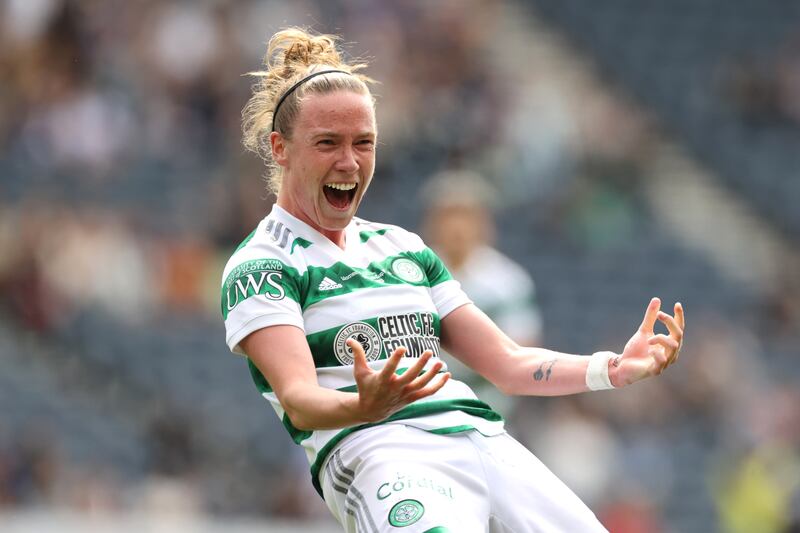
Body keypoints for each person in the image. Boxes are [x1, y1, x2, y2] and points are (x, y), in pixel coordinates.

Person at [221, 28, 685, 532]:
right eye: (327, 143)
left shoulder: (404, 248)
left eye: (364, 143)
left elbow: (507, 364)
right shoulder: (261, 266)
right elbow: (299, 400)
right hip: (380, 447)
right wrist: (364, 404)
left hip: (481, 437)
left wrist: (612, 368)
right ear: (280, 148)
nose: (349, 162)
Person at [421, 171, 541, 422]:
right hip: (423, 403)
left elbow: (522, 346)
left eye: (465, 216)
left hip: (488, 405)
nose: (457, 226)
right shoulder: (412, 273)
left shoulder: (507, 281)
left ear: (483, 222)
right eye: (448, 215)